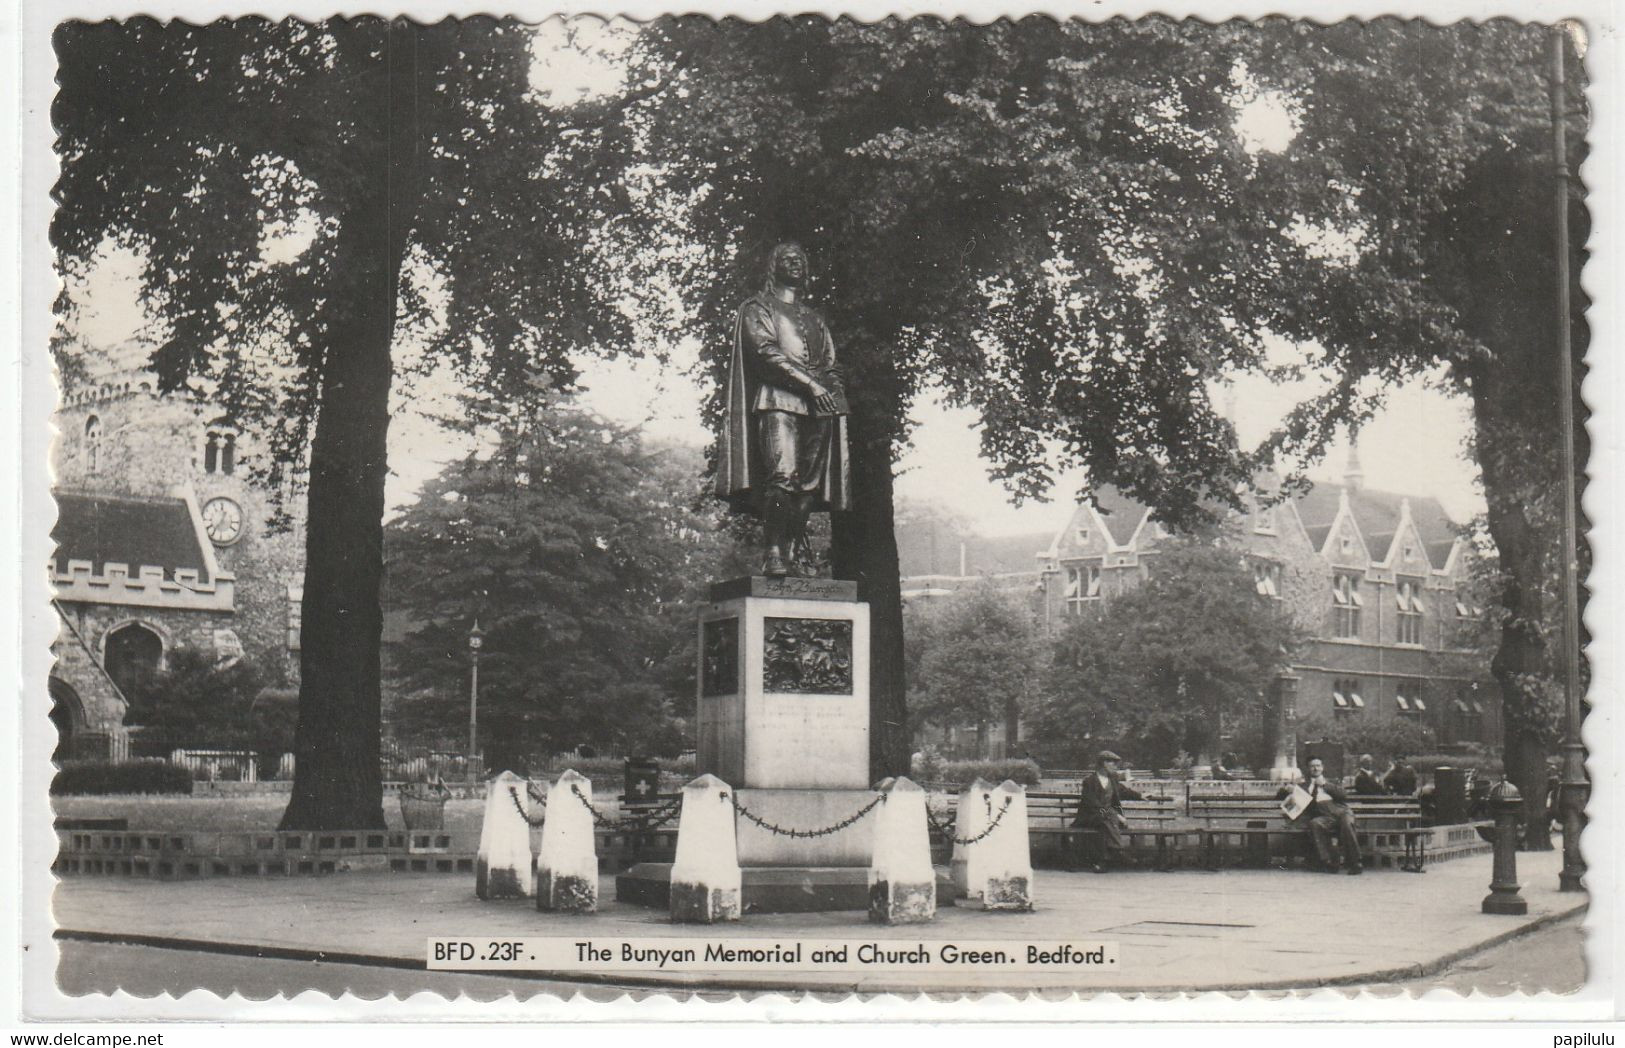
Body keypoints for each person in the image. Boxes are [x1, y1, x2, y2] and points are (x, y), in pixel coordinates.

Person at [715, 241, 852, 577]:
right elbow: (765, 354)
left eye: (800, 260)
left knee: (809, 486)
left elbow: (832, 365)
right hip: (778, 401)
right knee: (782, 476)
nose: (796, 264)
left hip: (819, 408)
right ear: (773, 266)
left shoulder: (814, 319)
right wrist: (811, 385)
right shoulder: (757, 308)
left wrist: (832, 391)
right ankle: (773, 551)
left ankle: (790, 554)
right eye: (788, 259)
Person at [1279, 757, 1363, 874]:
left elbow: (1343, 795)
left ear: (1322, 768)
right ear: (1308, 769)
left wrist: (1325, 785)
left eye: (1318, 765)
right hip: (1324, 816)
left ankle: (1355, 862)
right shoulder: (1303, 785)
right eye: (1312, 766)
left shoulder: (1332, 781)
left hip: (1341, 811)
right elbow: (1281, 796)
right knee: (1315, 823)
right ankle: (1328, 861)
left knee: (1347, 825)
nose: (1315, 768)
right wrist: (1288, 789)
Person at [1070, 750, 1143, 872]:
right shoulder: (1089, 781)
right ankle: (1119, 850)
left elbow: (1124, 791)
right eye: (1113, 763)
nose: (1116, 766)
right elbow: (1092, 804)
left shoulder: (1112, 780)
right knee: (1107, 818)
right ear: (1104, 763)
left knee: (1105, 824)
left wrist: (1141, 795)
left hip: (1106, 820)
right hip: (1091, 817)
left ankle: (1103, 862)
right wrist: (1117, 816)